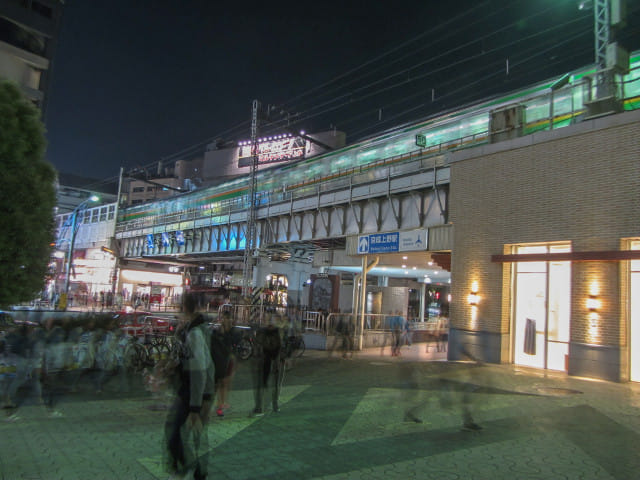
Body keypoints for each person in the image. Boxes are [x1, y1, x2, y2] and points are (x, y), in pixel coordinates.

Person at [164, 293, 215, 480]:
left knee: (182, 431)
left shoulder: (196, 332)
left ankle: (190, 469)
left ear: (186, 308)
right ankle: (194, 470)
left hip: (196, 391)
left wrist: (197, 405)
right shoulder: (192, 329)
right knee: (187, 432)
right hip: (193, 389)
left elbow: (200, 370)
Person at [252, 315, 284, 415]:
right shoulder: (265, 332)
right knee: (264, 384)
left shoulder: (276, 332)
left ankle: (272, 404)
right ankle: (261, 406)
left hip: (272, 361)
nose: (270, 323)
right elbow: (258, 345)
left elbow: (281, 347)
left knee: (272, 384)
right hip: (266, 361)